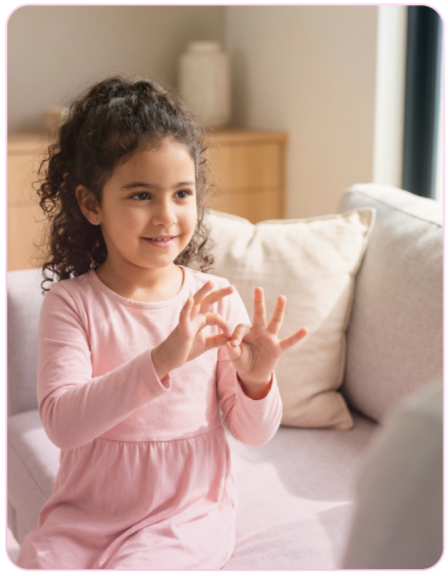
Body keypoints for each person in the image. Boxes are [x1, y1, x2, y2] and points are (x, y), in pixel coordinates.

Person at [16, 76, 308, 570]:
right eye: (140, 195)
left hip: (184, 517)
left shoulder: (214, 298)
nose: (166, 216)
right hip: (83, 516)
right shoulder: (71, 304)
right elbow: (63, 425)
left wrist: (256, 381)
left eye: (181, 193)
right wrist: (161, 360)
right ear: (92, 204)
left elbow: (253, 434)